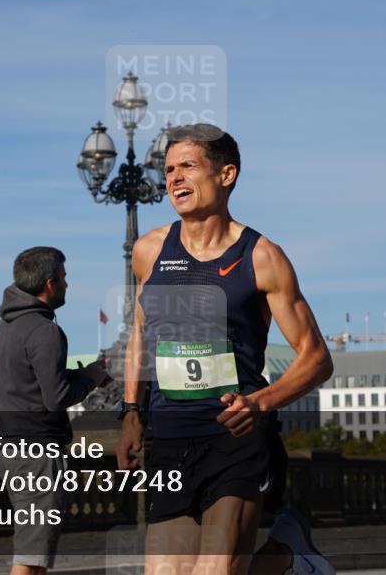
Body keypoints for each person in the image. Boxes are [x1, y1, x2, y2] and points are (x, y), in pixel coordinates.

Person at [114, 124, 335, 575]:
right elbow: (141, 331)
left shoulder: (261, 256)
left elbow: (316, 357)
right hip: (171, 440)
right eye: (169, 168)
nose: (174, 178)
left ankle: (288, 555)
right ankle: (288, 559)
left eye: (188, 166)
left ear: (226, 174)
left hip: (237, 439)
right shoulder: (149, 250)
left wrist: (260, 402)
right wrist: (131, 412)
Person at [0, 246, 111, 575]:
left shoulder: (9, 326)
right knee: (31, 559)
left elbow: (37, 382)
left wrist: (86, 374)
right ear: (49, 284)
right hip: (37, 455)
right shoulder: (46, 332)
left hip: (12, 448)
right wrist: (90, 380)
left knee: (36, 556)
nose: (67, 285)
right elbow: (56, 396)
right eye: (64, 278)